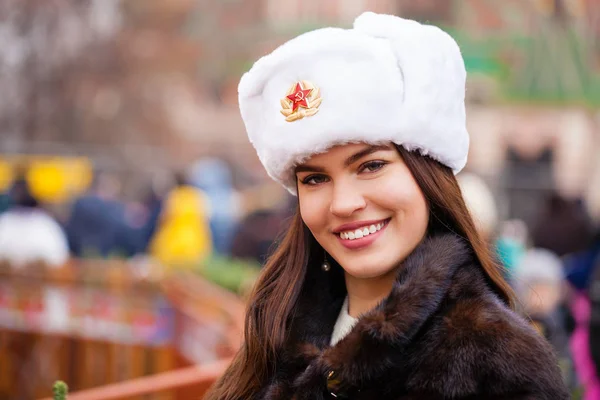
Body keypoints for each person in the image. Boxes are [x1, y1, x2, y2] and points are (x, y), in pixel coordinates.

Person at [206, 12, 568, 399]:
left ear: (428, 174)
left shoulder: (499, 361)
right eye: (314, 179)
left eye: (372, 166)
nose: (343, 204)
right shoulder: (276, 328)